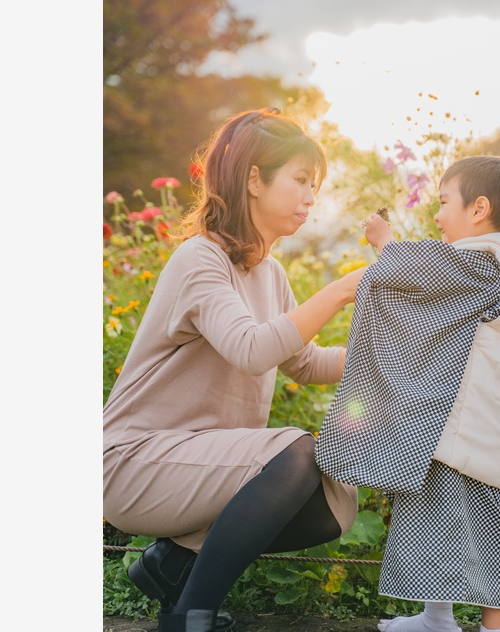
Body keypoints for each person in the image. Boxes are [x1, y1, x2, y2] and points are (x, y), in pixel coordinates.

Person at [102, 107, 366, 632]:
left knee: (334, 500)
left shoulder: (269, 273)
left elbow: (306, 363)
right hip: (137, 460)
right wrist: (341, 290)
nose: (311, 198)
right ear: (253, 180)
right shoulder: (200, 260)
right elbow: (250, 348)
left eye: (314, 186)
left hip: (200, 463)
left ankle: (172, 563)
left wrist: (399, 362)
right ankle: (187, 615)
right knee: (297, 453)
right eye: (300, 181)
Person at [314, 155, 500, 632]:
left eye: (443, 202)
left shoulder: (485, 265)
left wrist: (386, 244)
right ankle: (436, 619)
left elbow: (420, 275)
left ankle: (496, 628)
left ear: (478, 209)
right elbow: (425, 308)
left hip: (472, 426)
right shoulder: (479, 268)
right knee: (433, 521)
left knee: (480, 527)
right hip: (454, 421)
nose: (436, 215)